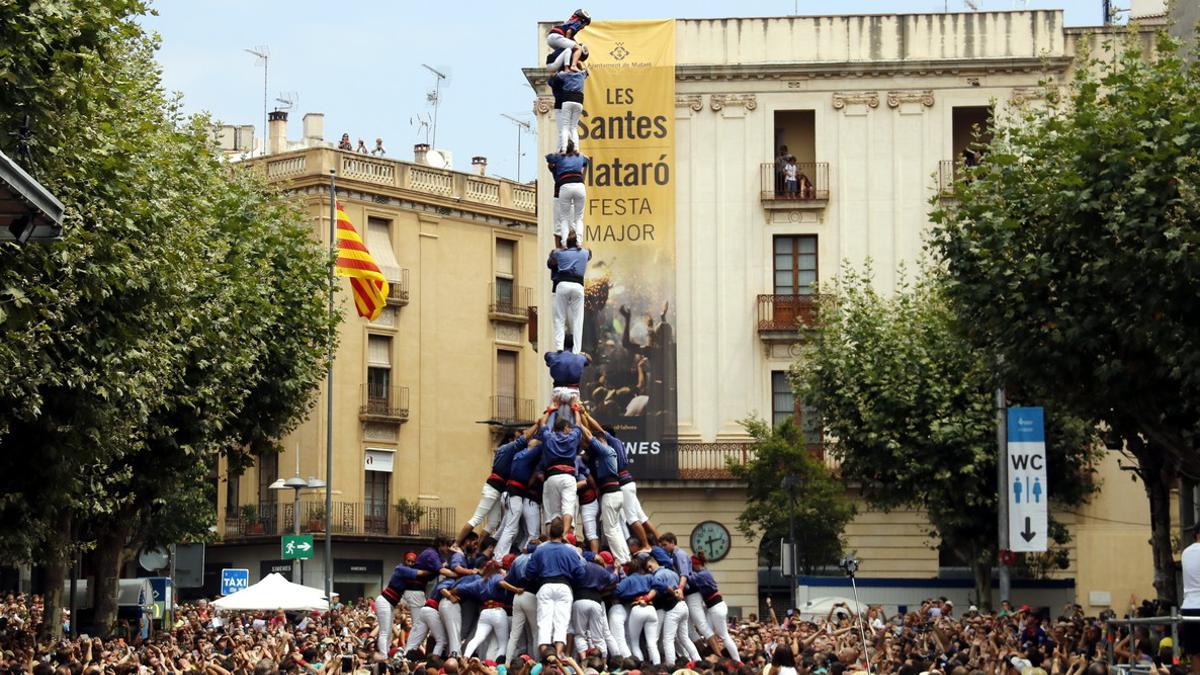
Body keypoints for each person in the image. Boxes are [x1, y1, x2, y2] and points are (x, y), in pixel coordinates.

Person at [457, 424, 535, 547]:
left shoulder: (502, 449)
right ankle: (456, 543)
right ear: (513, 438)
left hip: (496, 489)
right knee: (477, 518)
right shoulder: (510, 448)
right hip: (493, 488)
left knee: (493, 523)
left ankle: (478, 549)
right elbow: (523, 438)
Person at [525, 517, 585, 658]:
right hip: (564, 586)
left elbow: (529, 572)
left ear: (549, 533)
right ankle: (558, 656)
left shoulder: (540, 550)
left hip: (545, 585)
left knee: (544, 623)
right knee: (561, 624)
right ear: (562, 534)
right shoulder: (570, 551)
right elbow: (581, 573)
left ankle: (545, 658)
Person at [579, 413, 630, 564]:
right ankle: (625, 557)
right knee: (615, 527)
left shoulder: (605, 450)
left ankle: (621, 559)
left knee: (609, 530)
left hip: (610, 494)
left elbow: (588, 436)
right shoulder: (608, 451)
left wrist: (578, 420)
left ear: (601, 440)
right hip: (615, 493)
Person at [494, 439, 544, 559]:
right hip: (514, 494)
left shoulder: (518, 455)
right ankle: (499, 557)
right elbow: (541, 446)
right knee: (511, 528)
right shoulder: (528, 455)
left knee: (508, 528)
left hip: (509, 494)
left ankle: (493, 550)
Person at [377, 558, 435, 657]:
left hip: (390, 604)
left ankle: (385, 654)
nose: (411, 563)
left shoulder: (408, 573)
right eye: (409, 561)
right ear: (405, 561)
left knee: (389, 634)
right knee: (384, 632)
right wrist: (436, 568)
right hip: (384, 601)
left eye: (413, 562)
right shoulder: (401, 568)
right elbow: (421, 573)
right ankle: (384, 657)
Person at [687, 552, 739, 661]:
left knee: (724, 636)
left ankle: (738, 661)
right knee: (708, 633)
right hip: (714, 608)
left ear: (696, 564)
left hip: (716, 607)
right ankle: (712, 657)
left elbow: (689, 579)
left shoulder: (702, 575)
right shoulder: (704, 572)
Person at [649, 554, 699, 665]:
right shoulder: (673, 573)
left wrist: (668, 590)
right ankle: (698, 661)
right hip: (683, 606)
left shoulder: (658, 575)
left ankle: (670, 666)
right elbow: (686, 587)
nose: (649, 570)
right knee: (684, 637)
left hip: (673, 608)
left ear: (651, 564)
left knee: (667, 639)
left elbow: (656, 584)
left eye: (649, 567)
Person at [536, 412, 581, 534]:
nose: (571, 429)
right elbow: (578, 424)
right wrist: (575, 409)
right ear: (565, 428)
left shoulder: (549, 437)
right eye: (569, 427)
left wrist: (550, 410)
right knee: (568, 508)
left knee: (554, 512)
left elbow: (542, 423)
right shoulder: (572, 437)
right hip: (568, 477)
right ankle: (565, 535)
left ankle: (554, 537)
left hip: (552, 477)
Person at [460, 561, 513, 662]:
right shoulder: (497, 576)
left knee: (477, 638)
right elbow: (500, 583)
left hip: (485, 612)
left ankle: (465, 658)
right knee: (503, 643)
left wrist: (451, 592)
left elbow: (462, 588)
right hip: (498, 612)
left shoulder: (481, 581)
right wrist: (516, 589)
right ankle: (497, 666)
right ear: (497, 569)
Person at [547, 233, 590, 353]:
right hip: (577, 285)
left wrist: (558, 249)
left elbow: (550, 262)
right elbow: (589, 253)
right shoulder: (584, 253)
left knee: (559, 318)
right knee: (578, 320)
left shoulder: (559, 253)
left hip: (561, 286)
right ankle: (576, 350)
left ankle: (559, 346)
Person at [572, 552, 619, 659]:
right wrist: (616, 570)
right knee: (598, 636)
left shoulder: (580, 566)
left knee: (580, 635)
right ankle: (603, 664)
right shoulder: (601, 570)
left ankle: (584, 661)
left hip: (580, 600)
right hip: (596, 602)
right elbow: (613, 579)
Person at [615, 554, 660, 664]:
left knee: (634, 642)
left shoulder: (628, 580)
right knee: (652, 643)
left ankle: (640, 668)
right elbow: (660, 586)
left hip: (637, 608)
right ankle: (658, 667)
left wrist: (628, 595)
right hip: (651, 608)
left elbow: (617, 591)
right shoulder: (649, 577)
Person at [545, 142, 589, 249]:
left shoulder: (559, 161)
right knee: (574, 222)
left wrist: (558, 153)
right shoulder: (577, 160)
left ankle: (561, 248)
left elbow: (549, 161)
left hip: (560, 195)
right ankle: (576, 245)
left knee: (559, 226)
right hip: (571, 193)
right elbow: (587, 161)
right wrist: (583, 178)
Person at [544, 337, 590, 425]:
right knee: (576, 420)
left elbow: (546, 356)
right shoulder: (580, 357)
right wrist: (582, 353)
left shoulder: (554, 356)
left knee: (552, 417)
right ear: (574, 345)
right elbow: (589, 359)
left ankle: (548, 432)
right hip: (573, 392)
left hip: (557, 391)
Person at [548, 66, 588, 154]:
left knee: (564, 129)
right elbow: (586, 72)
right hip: (573, 101)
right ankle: (573, 149)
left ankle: (563, 149)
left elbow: (552, 79)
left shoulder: (563, 76)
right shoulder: (578, 75)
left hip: (563, 104)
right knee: (571, 128)